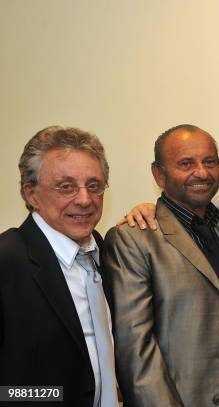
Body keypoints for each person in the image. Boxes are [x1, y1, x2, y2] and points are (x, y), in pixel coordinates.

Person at [103, 125, 219, 407]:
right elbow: (135, 350)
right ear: (158, 174)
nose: (201, 172)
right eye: (186, 163)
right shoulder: (134, 239)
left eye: (209, 162)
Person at [0, 126, 119, 406]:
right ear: (31, 194)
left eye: (94, 185)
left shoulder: (103, 249)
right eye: (66, 187)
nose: (84, 199)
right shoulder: (7, 261)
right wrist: (50, 397)